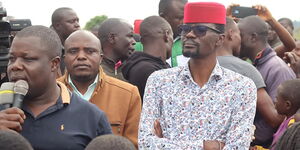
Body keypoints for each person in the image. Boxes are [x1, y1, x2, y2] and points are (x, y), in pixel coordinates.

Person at [138, 2, 257, 149]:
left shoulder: (241, 87)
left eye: (200, 30)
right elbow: (145, 143)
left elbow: (238, 147)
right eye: (185, 29)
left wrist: (167, 144)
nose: (189, 34)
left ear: (220, 39)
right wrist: (207, 146)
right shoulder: (159, 81)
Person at [0, 25, 112, 150]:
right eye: (12, 59)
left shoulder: (91, 116)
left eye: (28, 59)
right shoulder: (3, 108)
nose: (15, 66)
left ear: (54, 64)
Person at [57, 30, 141, 148]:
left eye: (90, 51)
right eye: (73, 51)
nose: (81, 56)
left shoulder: (128, 94)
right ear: (64, 58)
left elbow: (134, 145)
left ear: (101, 58)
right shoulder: (49, 93)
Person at [217, 17, 284, 147]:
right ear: (230, 34)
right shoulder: (245, 69)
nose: (240, 40)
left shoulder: (195, 65)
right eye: (239, 35)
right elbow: (275, 118)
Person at [238, 15, 296, 147]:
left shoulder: (277, 68)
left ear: (253, 37)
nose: (235, 39)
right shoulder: (258, 64)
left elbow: (280, 118)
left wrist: (251, 139)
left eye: (239, 35)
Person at [122, 16, 173, 99]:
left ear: (141, 40)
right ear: (166, 35)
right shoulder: (148, 70)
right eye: (172, 36)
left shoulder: (144, 66)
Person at [269, 79, 300, 149]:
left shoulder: (291, 126)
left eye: (277, 98)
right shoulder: (286, 119)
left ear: (287, 105)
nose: (275, 101)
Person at [51, 7, 80, 76]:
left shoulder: (79, 45)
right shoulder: (47, 48)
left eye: (77, 21)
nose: (77, 25)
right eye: (71, 22)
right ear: (57, 26)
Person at [159, 0, 188, 67]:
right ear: (163, 17)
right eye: (180, 17)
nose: (184, 22)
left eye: (186, 17)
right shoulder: (144, 44)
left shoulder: (195, 42)